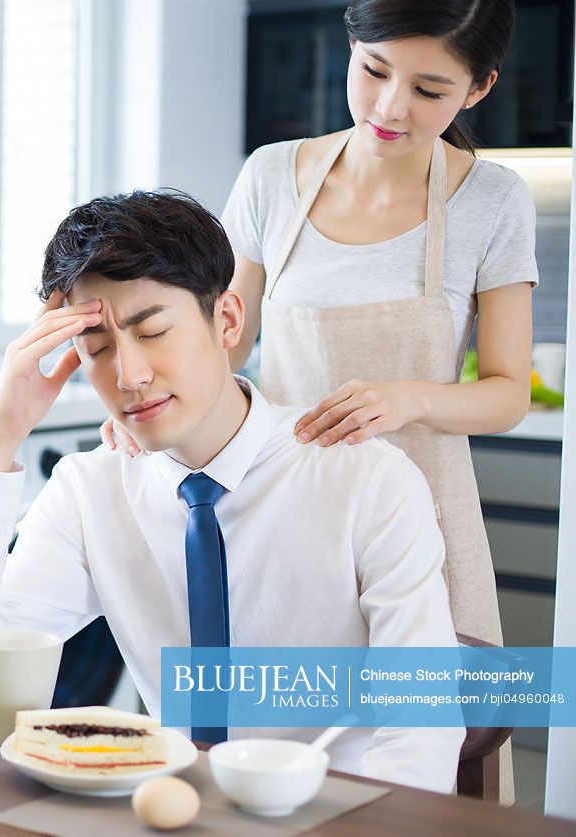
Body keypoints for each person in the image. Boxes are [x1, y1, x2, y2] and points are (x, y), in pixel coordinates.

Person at [0, 190, 465, 793]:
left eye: (152, 331)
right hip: (165, 806)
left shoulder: (367, 481)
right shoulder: (89, 491)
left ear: (227, 320)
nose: (129, 377)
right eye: (98, 349)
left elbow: (420, 729)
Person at [101, 0, 535, 659]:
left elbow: (507, 394)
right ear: (352, 46)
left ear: (478, 88)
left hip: (423, 518)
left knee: (425, 745)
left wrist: (406, 397)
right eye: (373, 70)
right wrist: (152, 402)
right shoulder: (270, 177)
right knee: (279, 742)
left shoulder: (493, 201)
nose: (389, 108)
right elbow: (223, 343)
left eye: (427, 89)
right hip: (280, 517)